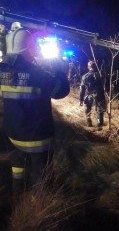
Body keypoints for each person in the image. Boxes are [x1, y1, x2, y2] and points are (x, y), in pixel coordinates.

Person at [0, 26, 70, 195]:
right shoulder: (39, 74)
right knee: (42, 177)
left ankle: (18, 198)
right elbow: (61, 91)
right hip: (37, 138)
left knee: (18, 169)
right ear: (28, 48)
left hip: (12, 135)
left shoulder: (2, 71)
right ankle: (39, 208)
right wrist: (59, 69)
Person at [79, 60, 106, 128]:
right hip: (100, 96)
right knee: (99, 112)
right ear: (96, 66)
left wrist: (81, 99)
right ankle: (99, 126)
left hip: (89, 96)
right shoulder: (101, 75)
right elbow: (106, 86)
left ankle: (89, 124)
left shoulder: (85, 76)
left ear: (88, 67)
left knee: (87, 110)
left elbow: (82, 89)